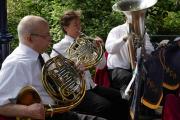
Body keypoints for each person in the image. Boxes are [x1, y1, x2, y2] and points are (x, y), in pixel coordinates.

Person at [0, 15, 107, 120]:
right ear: (29, 38)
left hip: (61, 110)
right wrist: (27, 111)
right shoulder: (16, 64)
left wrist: (75, 74)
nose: (50, 39)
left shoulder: (43, 56)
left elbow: (60, 85)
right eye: (45, 36)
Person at [50, 10, 130, 120]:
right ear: (65, 27)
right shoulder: (59, 48)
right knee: (105, 106)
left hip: (91, 86)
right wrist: (74, 69)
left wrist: (98, 49)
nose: (79, 28)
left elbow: (101, 65)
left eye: (79, 24)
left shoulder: (84, 42)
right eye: (75, 25)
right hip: (77, 92)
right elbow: (57, 75)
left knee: (123, 97)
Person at [105, 14, 154, 92]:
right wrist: (124, 38)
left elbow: (150, 51)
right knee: (130, 80)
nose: (137, 19)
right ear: (126, 17)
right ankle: (128, 102)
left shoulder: (143, 33)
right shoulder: (116, 30)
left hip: (135, 68)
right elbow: (109, 49)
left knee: (150, 80)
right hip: (117, 69)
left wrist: (143, 48)